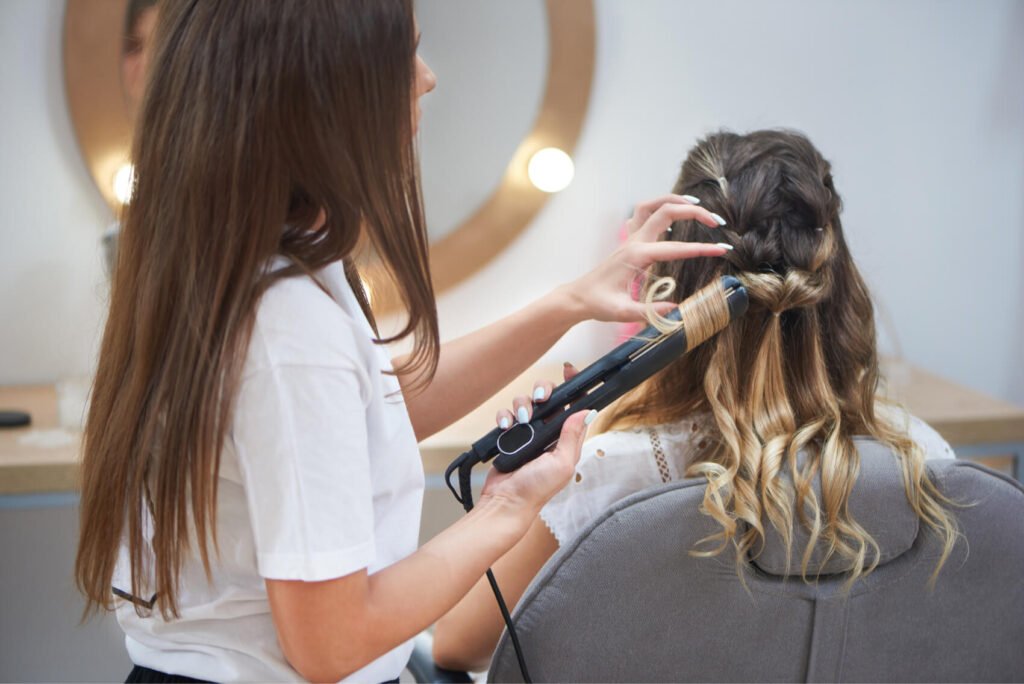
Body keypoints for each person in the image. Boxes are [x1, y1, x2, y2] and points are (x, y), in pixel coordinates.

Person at [72, 2, 730, 682]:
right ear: (321, 92)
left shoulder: (260, 267)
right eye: (403, 55)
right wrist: (506, 507)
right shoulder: (287, 326)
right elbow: (330, 643)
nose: (426, 78)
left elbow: (368, 411)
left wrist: (570, 302)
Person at [433, 129, 960, 672]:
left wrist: (514, 501)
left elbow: (455, 646)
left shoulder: (605, 476)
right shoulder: (924, 461)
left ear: (673, 284)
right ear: (841, 289)